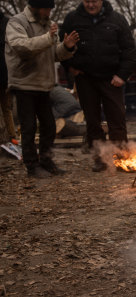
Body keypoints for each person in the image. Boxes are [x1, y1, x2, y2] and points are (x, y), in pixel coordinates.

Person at [61, 0, 136, 172]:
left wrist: (122, 74)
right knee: (92, 121)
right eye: (87, 1)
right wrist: (70, 67)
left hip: (112, 78)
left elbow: (129, 50)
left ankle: (121, 158)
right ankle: (100, 158)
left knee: (117, 119)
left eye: (94, 1)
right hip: (85, 78)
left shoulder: (117, 19)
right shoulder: (72, 19)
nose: (91, 5)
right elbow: (61, 47)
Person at [5, 0, 79, 177]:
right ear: (35, 7)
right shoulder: (17, 22)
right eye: (46, 8)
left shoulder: (48, 25)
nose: (49, 12)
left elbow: (53, 54)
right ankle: (32, 165)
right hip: (24, 83)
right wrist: (48, 38)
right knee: (29, 127)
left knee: (49, 126)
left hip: (44, 84)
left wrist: (66, 47)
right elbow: (21, 47)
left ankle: (46, 160)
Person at [0, 11, 18, 144]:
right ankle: (12, 138)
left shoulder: (8, 23)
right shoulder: (8, 23)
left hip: (5, 74)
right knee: (7, 109)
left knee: (6, 108)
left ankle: (9, 138)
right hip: (6, 73)